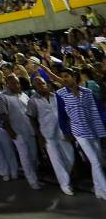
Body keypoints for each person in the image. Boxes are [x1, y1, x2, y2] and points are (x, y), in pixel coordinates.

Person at [55, 67, 106, 200]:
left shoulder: (87, 92)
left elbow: (99, 108)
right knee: (95, 160)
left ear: (74, 76)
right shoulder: (60, 94)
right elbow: (62, 115)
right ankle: (105, 189)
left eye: (67, 76)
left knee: (99, 160)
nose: (65, 79)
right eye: (63, 76)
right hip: (79, 130)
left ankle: (98, 189)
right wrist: (66, 131)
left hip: (94, 128)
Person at [27, 77, 75, 195]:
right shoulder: (33, 100)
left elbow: (66, 114)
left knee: (70, 157)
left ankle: (66, 178)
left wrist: (70, 130)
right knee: (56, 160)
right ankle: (65, 184)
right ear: (34, 87)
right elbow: (31, 118)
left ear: (46, 84)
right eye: (38, 84)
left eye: (42, 83)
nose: (41, 85)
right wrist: (39, 136)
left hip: (62, 131)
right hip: (47, 133)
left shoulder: (57, 97)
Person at [1, 74, 41, 189]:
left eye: (17, 82)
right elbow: (3, 116)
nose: (16, 85)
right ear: (7, 84)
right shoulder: (3, 97)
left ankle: (36, 178)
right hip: (17, 131)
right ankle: (32, 181)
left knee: (33, 156)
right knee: (25, 156)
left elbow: (30, 113)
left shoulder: (24, 95)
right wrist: (11, 132)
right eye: (13, 83)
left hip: (30, 129)